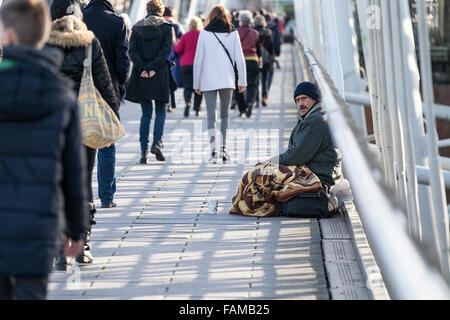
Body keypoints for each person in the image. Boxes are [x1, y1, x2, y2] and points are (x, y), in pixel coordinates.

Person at [0, 0, 88, 299]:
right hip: (38, 225)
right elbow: (74, 171)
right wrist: (76, 229)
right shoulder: (61, 95)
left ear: (8, 36)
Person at [47, 0, 119, 267]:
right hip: (84, 124)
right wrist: (112, 121)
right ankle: (83, 245)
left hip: (53, 125)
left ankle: (59, 248)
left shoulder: (45, 45)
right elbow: (104, 84)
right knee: (83, 183)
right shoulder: (90, 43)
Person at [83, 0, 131, 209]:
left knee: (81, 146)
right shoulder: (117, 22)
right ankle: (107, 196)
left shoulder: (79, 18)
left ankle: (83, 196)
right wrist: (122, 83)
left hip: (79, 88)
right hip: (107, 89)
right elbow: (123, 62)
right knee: (106, 145)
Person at [193, 5, 247, 162]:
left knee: (211, 117)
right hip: (227, 80)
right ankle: (223, 148)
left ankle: (213, 150)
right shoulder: (233, 33)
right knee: (225, 115)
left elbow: (198, 60)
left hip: (208, 81)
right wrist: (242, 81)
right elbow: (240, 59)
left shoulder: (204, 33)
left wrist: (196, 83)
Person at [125, 0, 173, 165]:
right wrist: (153, 68)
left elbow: (132, 51)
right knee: (161, 111)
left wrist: (144, 68)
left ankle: (143, 151)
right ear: (161, 10)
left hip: (142, 74)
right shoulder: (167, 28)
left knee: (146, 114)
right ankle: (157, 144)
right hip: (160, 73)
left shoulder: (137, 27)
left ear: (147, 10)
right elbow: (166, 51)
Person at [269, 82, 339, 190]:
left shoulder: (315, 121)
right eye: (297, 100)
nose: (300, 103)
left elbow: (297, 154)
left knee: (258, 177)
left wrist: (270, 162)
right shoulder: (315, 115)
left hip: (318, 176)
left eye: (304, 98)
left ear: (315, 99)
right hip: (317, 171)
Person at [174, 16, 204, 118]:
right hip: (199, 65)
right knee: (199, 87)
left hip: (185, 64)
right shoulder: (202, 35)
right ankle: (197, 109)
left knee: (187, 86)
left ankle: (187, 102)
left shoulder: (185, 36)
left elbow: (177, 49)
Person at [236, 10, 261, 118]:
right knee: (252, 84)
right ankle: (250, 102)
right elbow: (259, 49)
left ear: (241, 21)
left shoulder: (235, 32)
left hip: (239, 61)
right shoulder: (255, 33)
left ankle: (242, 109)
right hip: (253, 60)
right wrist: (260, 59)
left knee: (238, 85)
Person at [253, 15, 274, 107]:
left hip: (255, 58)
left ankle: (256, 100)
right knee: (264, 79)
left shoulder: (253, 33)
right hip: (266, 59)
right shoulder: (268, 33)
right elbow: (271, 48)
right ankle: (264, 98)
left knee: (256, 81)